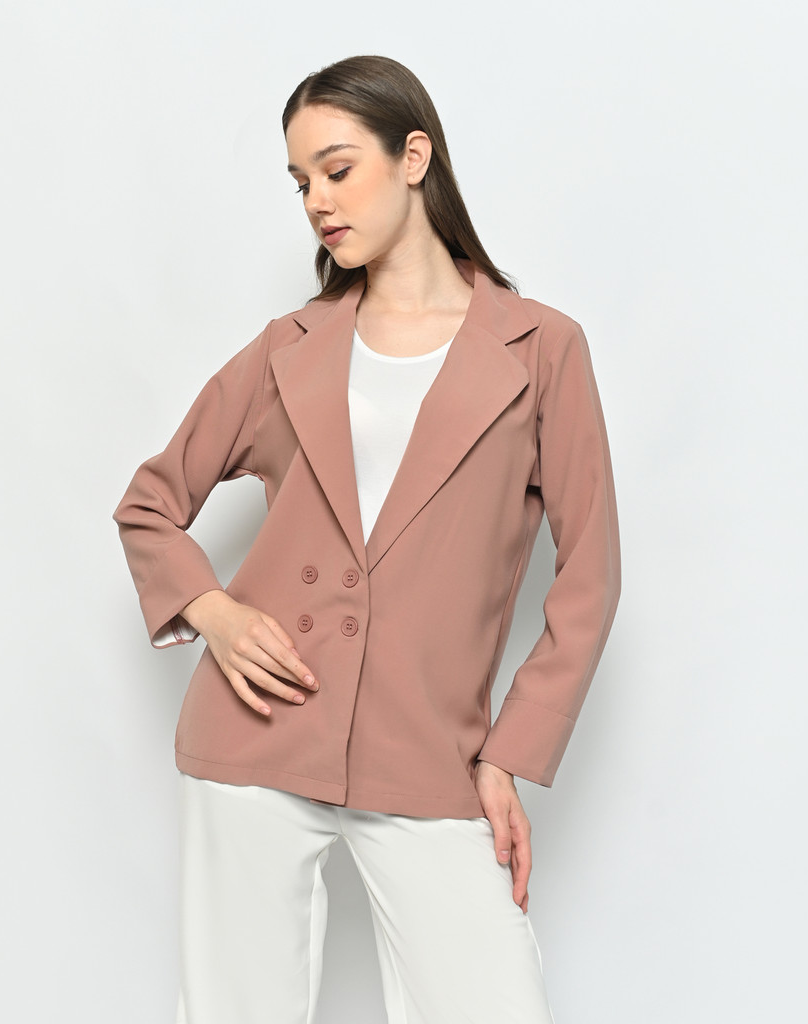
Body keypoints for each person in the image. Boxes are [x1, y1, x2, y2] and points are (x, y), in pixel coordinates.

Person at [114, 54, 620, 1024]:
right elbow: (150, 503)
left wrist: (507, 755)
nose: (317, 200)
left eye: (338, 169)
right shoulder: (290, 347)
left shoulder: (542, 350)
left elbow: (589, 577)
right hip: (254, 736)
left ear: (413, 157)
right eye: (300, 180)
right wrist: (216, 613)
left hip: (428, 748)